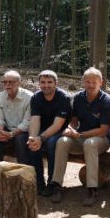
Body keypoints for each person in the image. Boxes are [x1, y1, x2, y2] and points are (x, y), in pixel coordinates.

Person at [50, 67, 110, 206]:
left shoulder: (106, 101)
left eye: (94, 82)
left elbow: (103, 130)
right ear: (83, 82)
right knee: (62, 141)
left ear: (100, 82)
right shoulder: (78, 98)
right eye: (87, 81)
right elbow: (74, 120)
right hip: (81, 137)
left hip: (101, 139)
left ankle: (92, 189)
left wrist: (80, 134)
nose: (90, 85)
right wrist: (70, 129)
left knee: (90, 143)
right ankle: (57, 185)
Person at [27, 70, 71, 200]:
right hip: (42, 130)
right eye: (43, 82)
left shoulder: (63, 98)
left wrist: (41, 138)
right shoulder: (36, 97)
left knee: (52, 143)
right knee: (31, 144)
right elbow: (35, 119)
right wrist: (33, 138)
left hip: (60, 131)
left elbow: (58, 125)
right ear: (39, 84)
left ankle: (53, 183)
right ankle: (38, 183)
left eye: (49, 82)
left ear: (56, 83)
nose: (46, 85)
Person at [0, 70, 32, 176]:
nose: (7, 85)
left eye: (11, 82)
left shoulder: (29, 97)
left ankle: (24, 176)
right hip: (7, 130)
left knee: (20, 140)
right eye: (5, 82)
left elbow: (27, 122)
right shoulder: (0, 97)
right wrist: (1, 131)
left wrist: (11, 134)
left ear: (18, 83)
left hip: (23, 131)